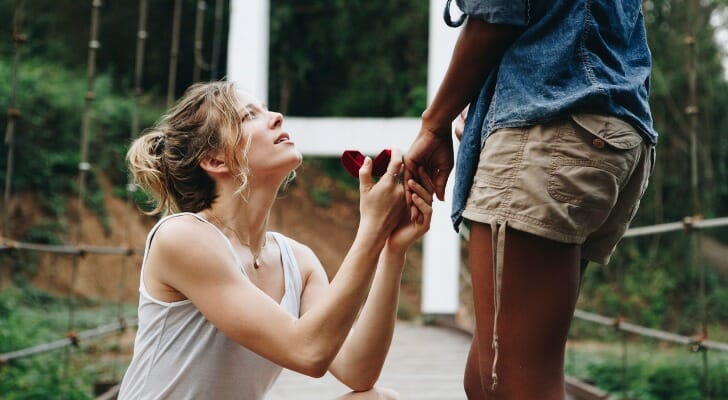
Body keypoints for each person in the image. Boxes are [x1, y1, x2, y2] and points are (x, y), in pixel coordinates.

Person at [118, 81, 434, 400]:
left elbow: (358, 370)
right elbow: (309, 353)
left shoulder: (297, 260)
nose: (277, 116)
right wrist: (371, 230)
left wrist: (392, 249)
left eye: (266, 109)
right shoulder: (182, 237)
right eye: (248, 116)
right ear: (215, 161)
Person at [404, 1, 656, 399]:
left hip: (550, 126)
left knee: (513, 383)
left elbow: (498, 9)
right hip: (608, 128)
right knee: (489, 376)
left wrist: (434, 122)